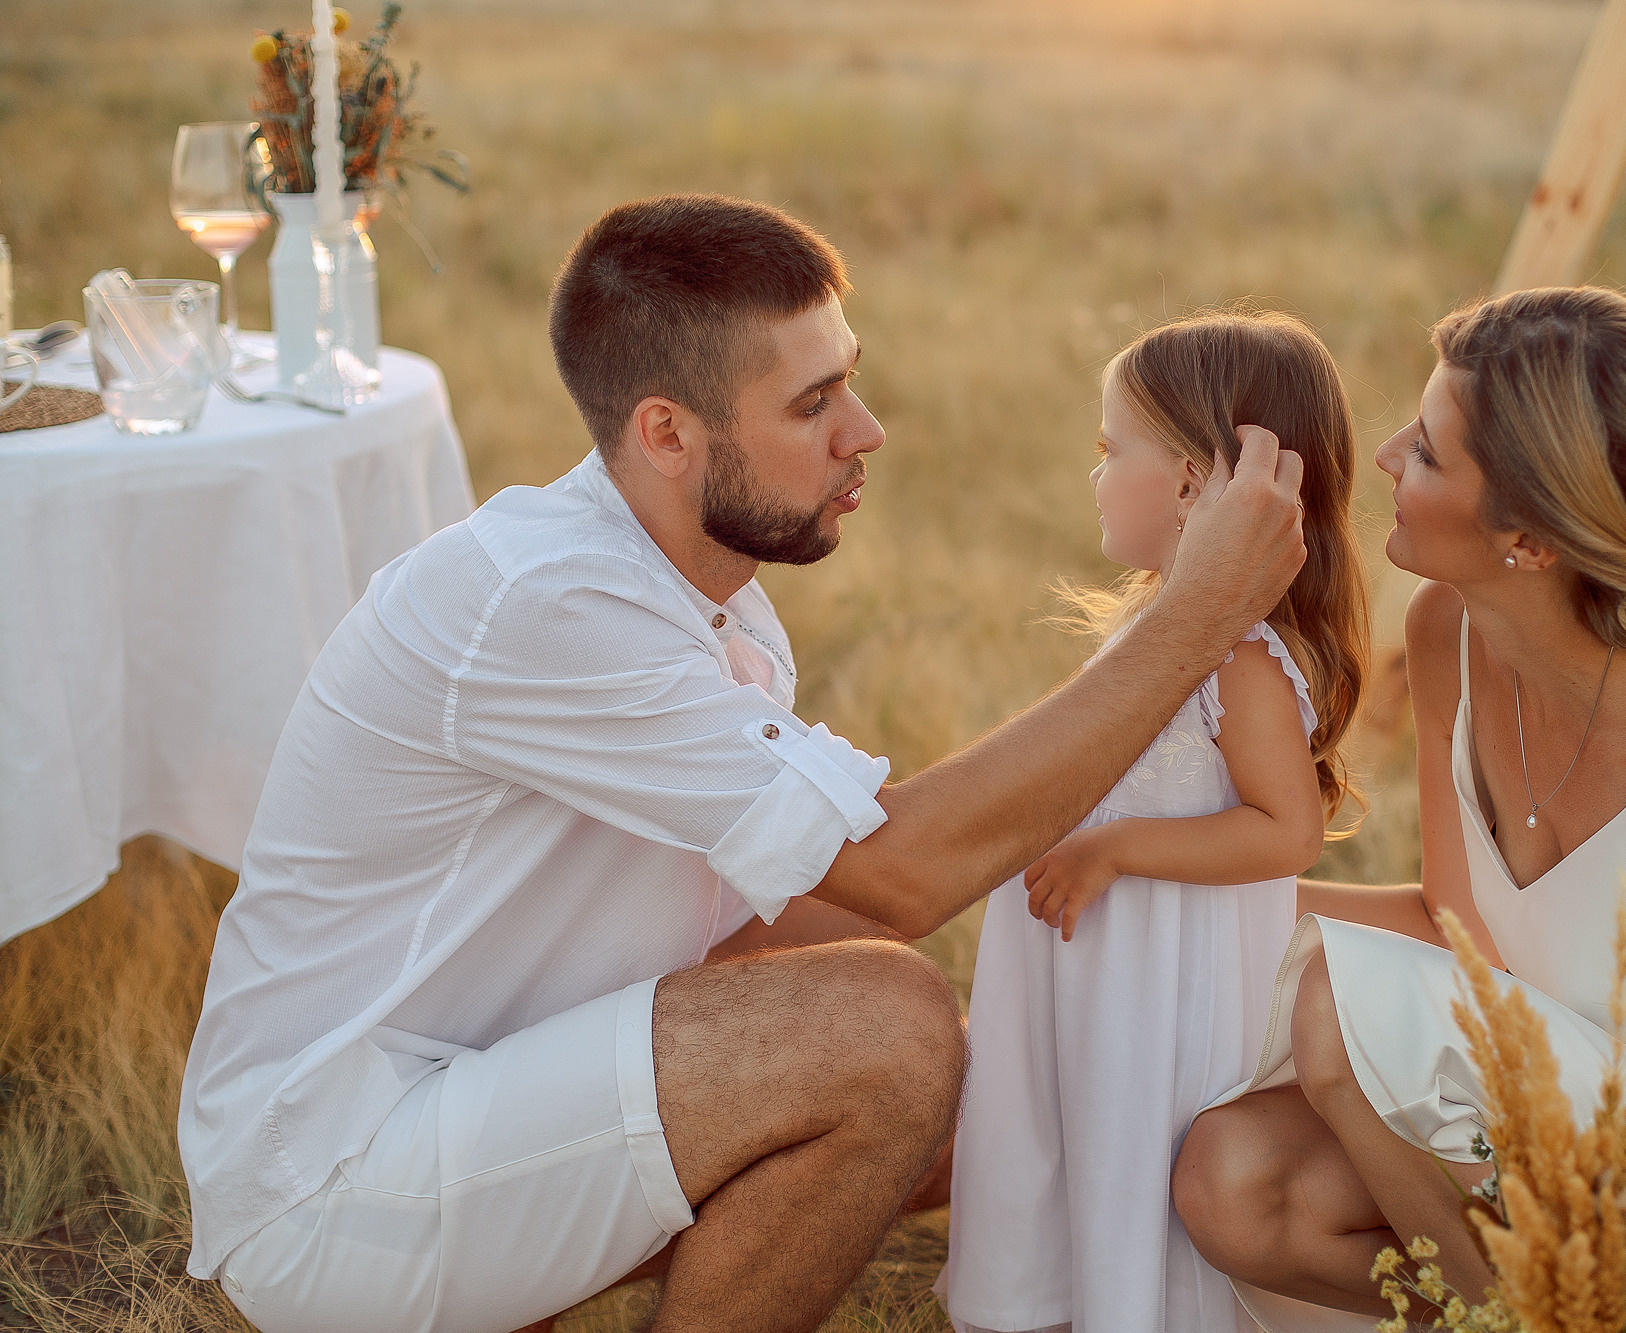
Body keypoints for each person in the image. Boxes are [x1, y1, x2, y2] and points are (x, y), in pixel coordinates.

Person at [177, 193, 1308, 1333]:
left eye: (848, 381)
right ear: (667, 435)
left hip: (473, 1103)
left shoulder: (705, 592)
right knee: (890, 1033)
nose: (863, 430)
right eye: (812, 403)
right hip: (331, 1181)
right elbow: (899, 877)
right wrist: (1198, 610)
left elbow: (757, 917)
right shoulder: (552, 603)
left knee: (972, 1093)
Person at [1170, 287, 1626, 1333]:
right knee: (1233, 1176)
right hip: (1571, 1105)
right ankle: (1523, 1311)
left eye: (1428, 452)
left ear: (1528, 535)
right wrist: (1178, 902)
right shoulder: (1448, 628)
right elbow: (1456, 927)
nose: (1386, 455)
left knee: (1339, 1004)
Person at [941, 313, 1371, 1333]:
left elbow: (1284, 832)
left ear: (1188, 483)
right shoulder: (1154, 624)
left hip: (1160, 996)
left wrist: (1114, 847)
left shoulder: (1239, 657)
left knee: (1129, 1146)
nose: (1093, 477)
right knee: (1064, 1133)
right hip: (1093, 974)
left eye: (1108, 452)